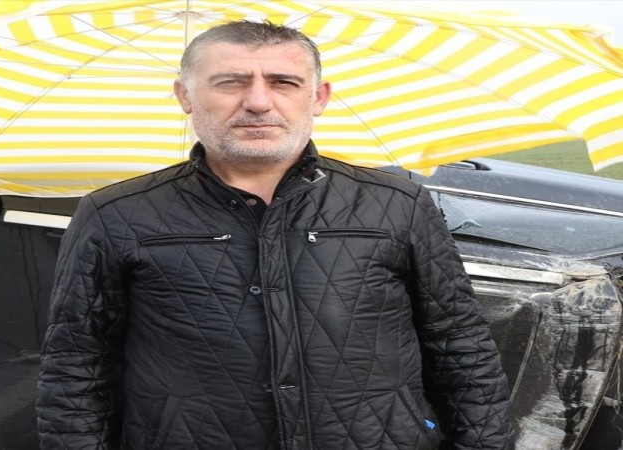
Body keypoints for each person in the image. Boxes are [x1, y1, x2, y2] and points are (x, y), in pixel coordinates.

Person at [36, 20, 515, 449]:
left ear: (318, 97)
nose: (258, 102)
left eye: (284, 82)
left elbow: (459, 344)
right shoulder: (115, 214)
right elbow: (77, 365)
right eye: (230, 82)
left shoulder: (398, 203)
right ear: (185, 96)